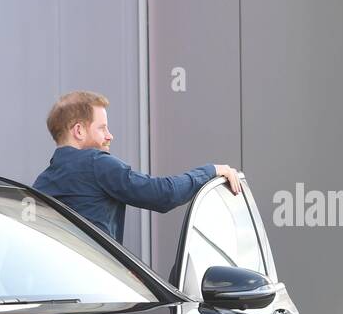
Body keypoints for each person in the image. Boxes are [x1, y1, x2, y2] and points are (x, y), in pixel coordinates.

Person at [32, 91, 241, 245]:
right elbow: (163, 194)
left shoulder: (40, 185)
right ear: (78, 130)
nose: (109, 136)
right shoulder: (97, 163)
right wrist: (211, 171)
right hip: (98, 294)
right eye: (102, 128)